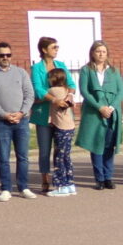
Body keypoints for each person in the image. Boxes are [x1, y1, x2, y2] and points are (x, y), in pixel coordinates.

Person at [0, 42, 36, 202]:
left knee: (23, 156)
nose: (5, 58)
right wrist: (4, 114)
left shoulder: (21, 73)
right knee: (4, 157)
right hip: (1, 122)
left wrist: (21, 112)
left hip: (22, 120)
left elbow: (29, 94)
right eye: (2, 55)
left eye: (8, 55)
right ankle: (5, 188)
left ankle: (24, 186)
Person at [76, 40, 123, 190]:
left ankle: (109, 177)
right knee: (96, 145)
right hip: (94, 113)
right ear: (92, 53)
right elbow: (84, 91)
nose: (101, 54)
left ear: (107, 54)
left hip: (111, 113)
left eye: (103, 52)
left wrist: (110, 107)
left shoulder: (114, 71)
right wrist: (100, 107)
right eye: (98, 51)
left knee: (109, 145)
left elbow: (120, 92)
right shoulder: (86, 70)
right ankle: (100, 178)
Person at [31, 36, 75, 194]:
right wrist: (54, 100)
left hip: (61, 115)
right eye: (53, 47)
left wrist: (69, 96)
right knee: (44, 149)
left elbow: (71, 84)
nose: (56, 49)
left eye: (57, 47)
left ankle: (64, 180)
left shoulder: (61, 65)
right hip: (43, 114)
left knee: (61, 150)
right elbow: (38, 89)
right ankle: (45, 178)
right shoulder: (37, 68)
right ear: (44, 50)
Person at [46, 68, 77, 197]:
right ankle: (70, 184)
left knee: (58, 157)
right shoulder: (66, 91)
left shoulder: (52, 91)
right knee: (66, 157)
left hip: (61, 128)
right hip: (70, 127)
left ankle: (61, 185)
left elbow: (42, 96)